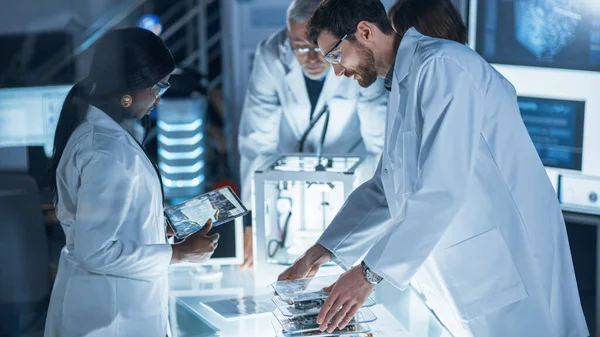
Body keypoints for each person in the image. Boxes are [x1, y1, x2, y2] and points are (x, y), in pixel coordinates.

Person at [278, 0, 589, 336]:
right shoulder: (404, 81)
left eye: (336, 55)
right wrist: (320, 252)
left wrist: (367, 274)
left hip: (507, 261)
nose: (337, 71)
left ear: (365, 32)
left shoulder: (443, 65)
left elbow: (444, 186)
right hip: (471, 266)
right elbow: (385, 189)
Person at [45, 27, 219, 337]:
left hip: (107, 308)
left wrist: (156, 225)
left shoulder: (102, 131)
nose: (158, 98)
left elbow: (104, 222)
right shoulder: (107, 151)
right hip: (110, 318)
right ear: (130, 89)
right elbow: (96, 251)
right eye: (158, 87)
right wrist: (178, 254)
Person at [238, 0, 388, 268]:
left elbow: (381, 142)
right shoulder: (271, 55)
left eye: (319, 47)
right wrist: (253, 219)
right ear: (287, 37)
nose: (311, 58)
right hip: (288, 188)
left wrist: (378, 214)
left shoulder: (359, 55)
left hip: (351, 182)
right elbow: (256, 142)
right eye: (299, 47)